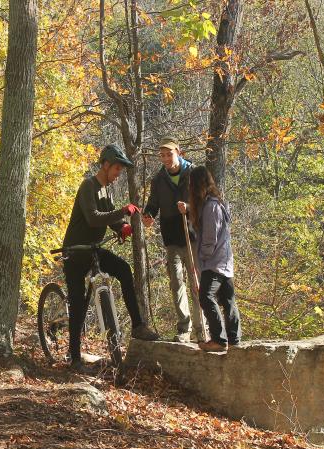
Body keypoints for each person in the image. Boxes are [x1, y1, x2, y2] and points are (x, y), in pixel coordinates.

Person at [62, 144, 160, 369]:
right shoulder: (88, 185)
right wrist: (123, 211)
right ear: (105, 165)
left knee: (124, 270)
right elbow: (94, 218)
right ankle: (75, 358)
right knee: (77, 304)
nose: (118, 175)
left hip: (93, 250)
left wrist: (121, 227)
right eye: (116, 169)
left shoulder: (106, 190)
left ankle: (138, 326)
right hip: (75, 252)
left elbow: (110, 219)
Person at [142, 136, 204, 343]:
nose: (166, 158)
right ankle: (184, 329)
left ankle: (201, 328)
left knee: (196, 283)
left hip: (192, 235)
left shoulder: (193, 174)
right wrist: (148, 215)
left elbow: (205, 200)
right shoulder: (158, 180)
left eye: (169, 154)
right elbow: (153, 204)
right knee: (177, 283)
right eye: (162, 155)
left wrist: (188, 208)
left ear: (179, 152)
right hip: (171, 238)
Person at [182, 165, 241, 352]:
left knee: (206, 297)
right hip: (224, 262)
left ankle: (219, 339)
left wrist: (201, 261)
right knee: (227, 299)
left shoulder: (211, 207)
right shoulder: (215, 205)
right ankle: (234, 339)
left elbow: (209, 239)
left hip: (215, 262)